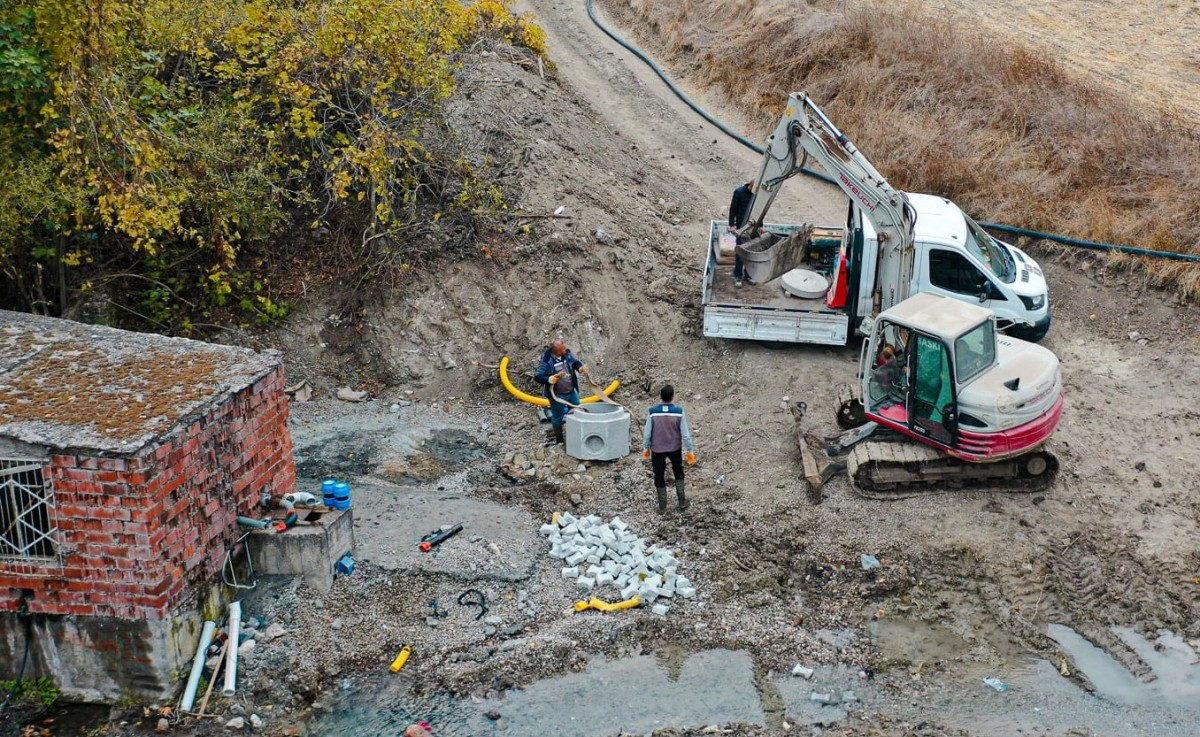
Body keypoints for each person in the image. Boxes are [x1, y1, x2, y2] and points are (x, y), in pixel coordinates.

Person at [641, 385, 696, 512]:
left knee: (659, 474)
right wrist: (690, 451)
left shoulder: (652, 412)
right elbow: (686, 434)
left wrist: (646, 448)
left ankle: (662, 506)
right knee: (678, 471)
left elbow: (648, 433)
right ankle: (681, 501)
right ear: (672, 396)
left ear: (661, 396)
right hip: (674, 448)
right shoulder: (679, 412)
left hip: (657, 449)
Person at [534, 339, 588, 446]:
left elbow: (575, 362)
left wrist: (580, 368)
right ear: (556, 352)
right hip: (557, 395)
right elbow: (538, 376)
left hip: (571, 392)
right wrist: (549, 379)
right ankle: (559, 441)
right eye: (562, 349)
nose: (565, 350)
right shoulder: (547, 360)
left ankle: (581, 436)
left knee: (579, 411)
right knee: (557, 417)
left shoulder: (566, 354)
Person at [728, 180, 755, 288]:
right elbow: (733, 209)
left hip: (753, 227)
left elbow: (758, 211)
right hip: (740, 226)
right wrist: (732, 224)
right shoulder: (739, 192)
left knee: (751, 251)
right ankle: (738, 275)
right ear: (750, 185)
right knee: (740, 252)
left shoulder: (756, 194)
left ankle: (748, 275)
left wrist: (760, 225)